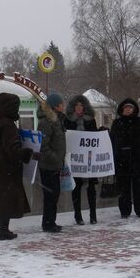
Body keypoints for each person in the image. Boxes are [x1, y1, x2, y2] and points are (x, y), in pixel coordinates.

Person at [0, 93, 34, 240]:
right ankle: (3, 230)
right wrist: (25, 153)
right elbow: (12, 149)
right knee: (6, 200)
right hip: (8, 168)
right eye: (16, 107)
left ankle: (1, 228)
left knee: (0, 198)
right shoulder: (7, 124)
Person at [110, 98, 140, 218]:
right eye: (125, 108)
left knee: (139, 188)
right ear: (122, 110)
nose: (128, 110)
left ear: (134, 109)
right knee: (123, 189)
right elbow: (111, 142)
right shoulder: (116, 124)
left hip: (138, 161)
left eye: (130, 108)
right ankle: (125, 211)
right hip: (121, 162)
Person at [64, 94, 99, 225]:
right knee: (76, 187)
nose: (79, 108)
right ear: (73, 107)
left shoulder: (91, 120)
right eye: (76, 105)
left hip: (89, 158)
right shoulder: (68, 120)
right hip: (75, 159)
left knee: (91, 187)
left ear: (84, 107)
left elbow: (95, 137)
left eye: (81, 105)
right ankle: (78, 215)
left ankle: (93, 215)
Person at [37, 93, 67, 233]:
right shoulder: (46, 122)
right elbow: (43, 146)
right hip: (48, 165)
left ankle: (51, 221)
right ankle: (48, 223)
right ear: (55, 106)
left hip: (55, 164)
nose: (63, 106)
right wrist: (55, 158)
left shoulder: (57, 120)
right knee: (50, 195)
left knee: (54, 195)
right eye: (61, 104)